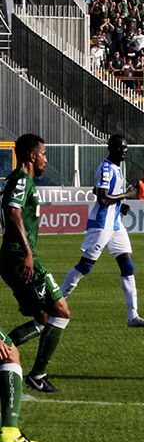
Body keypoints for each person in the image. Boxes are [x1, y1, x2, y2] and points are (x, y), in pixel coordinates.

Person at [60, 135, 144, 329]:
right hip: (102, 223)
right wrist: (127, 195)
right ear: (111, 148)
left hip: (115, 223)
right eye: (122, 148)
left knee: (127, 265)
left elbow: (100, 192)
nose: (125, 151)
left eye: (127, 148)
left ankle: (133, 316)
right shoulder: (105, 167)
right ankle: (54, 303)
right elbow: (102, 199)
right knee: (85, 266)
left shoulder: (116, 169)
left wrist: (120, 206)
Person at [2, 134, 71, 399]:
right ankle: (37, 376)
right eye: (43, 153)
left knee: (43, 319)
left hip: (13, 258)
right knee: (62, 312)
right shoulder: (21, 179)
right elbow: (13, 212)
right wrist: (29, 253)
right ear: (32, 155)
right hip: (21, 257)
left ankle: (11, 357)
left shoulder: (19, 180)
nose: (46, 158)